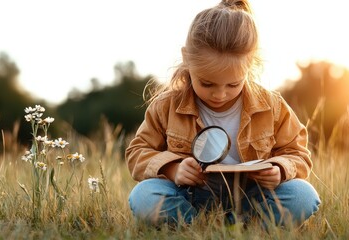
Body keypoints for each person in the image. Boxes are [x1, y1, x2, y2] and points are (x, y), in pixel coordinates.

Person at [126, 0, 320, 228]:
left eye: (233, 84)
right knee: (144, 197)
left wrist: (279, 169)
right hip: (191, 197)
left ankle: (247, 226)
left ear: (250, 64)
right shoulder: (166, 105)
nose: (220, 94)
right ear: (187, 58)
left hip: (253, 198)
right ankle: (198, 226)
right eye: (207, 83)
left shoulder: (272, 106)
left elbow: (298, 153)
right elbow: (137, 152)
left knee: (302, 195)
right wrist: (173, 169)